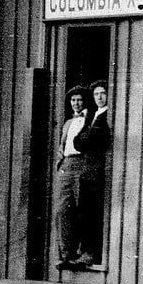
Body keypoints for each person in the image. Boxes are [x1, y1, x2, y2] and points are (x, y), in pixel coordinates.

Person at [50, 89, 93, 270]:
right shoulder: (68, 122)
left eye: (79, 100)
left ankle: (84, 253)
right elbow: (62, 144)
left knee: (82, 209)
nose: (76, 103)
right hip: (66, 165)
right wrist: (60, 163)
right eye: (73, 100)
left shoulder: (90, 119)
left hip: (83, 163)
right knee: (62, 209)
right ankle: (66, 254)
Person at [80, 81, 114, 261]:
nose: (99, 97)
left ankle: (91, 253)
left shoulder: (108, 114)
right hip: (88, 170)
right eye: (96, 94)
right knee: (86, 211)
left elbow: (97, 139)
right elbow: (79, 141)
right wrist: (87, 137)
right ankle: (85, 251)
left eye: (102, 93)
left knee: (94, 212)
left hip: (98, 169)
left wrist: (87, 137)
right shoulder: (92, 115)